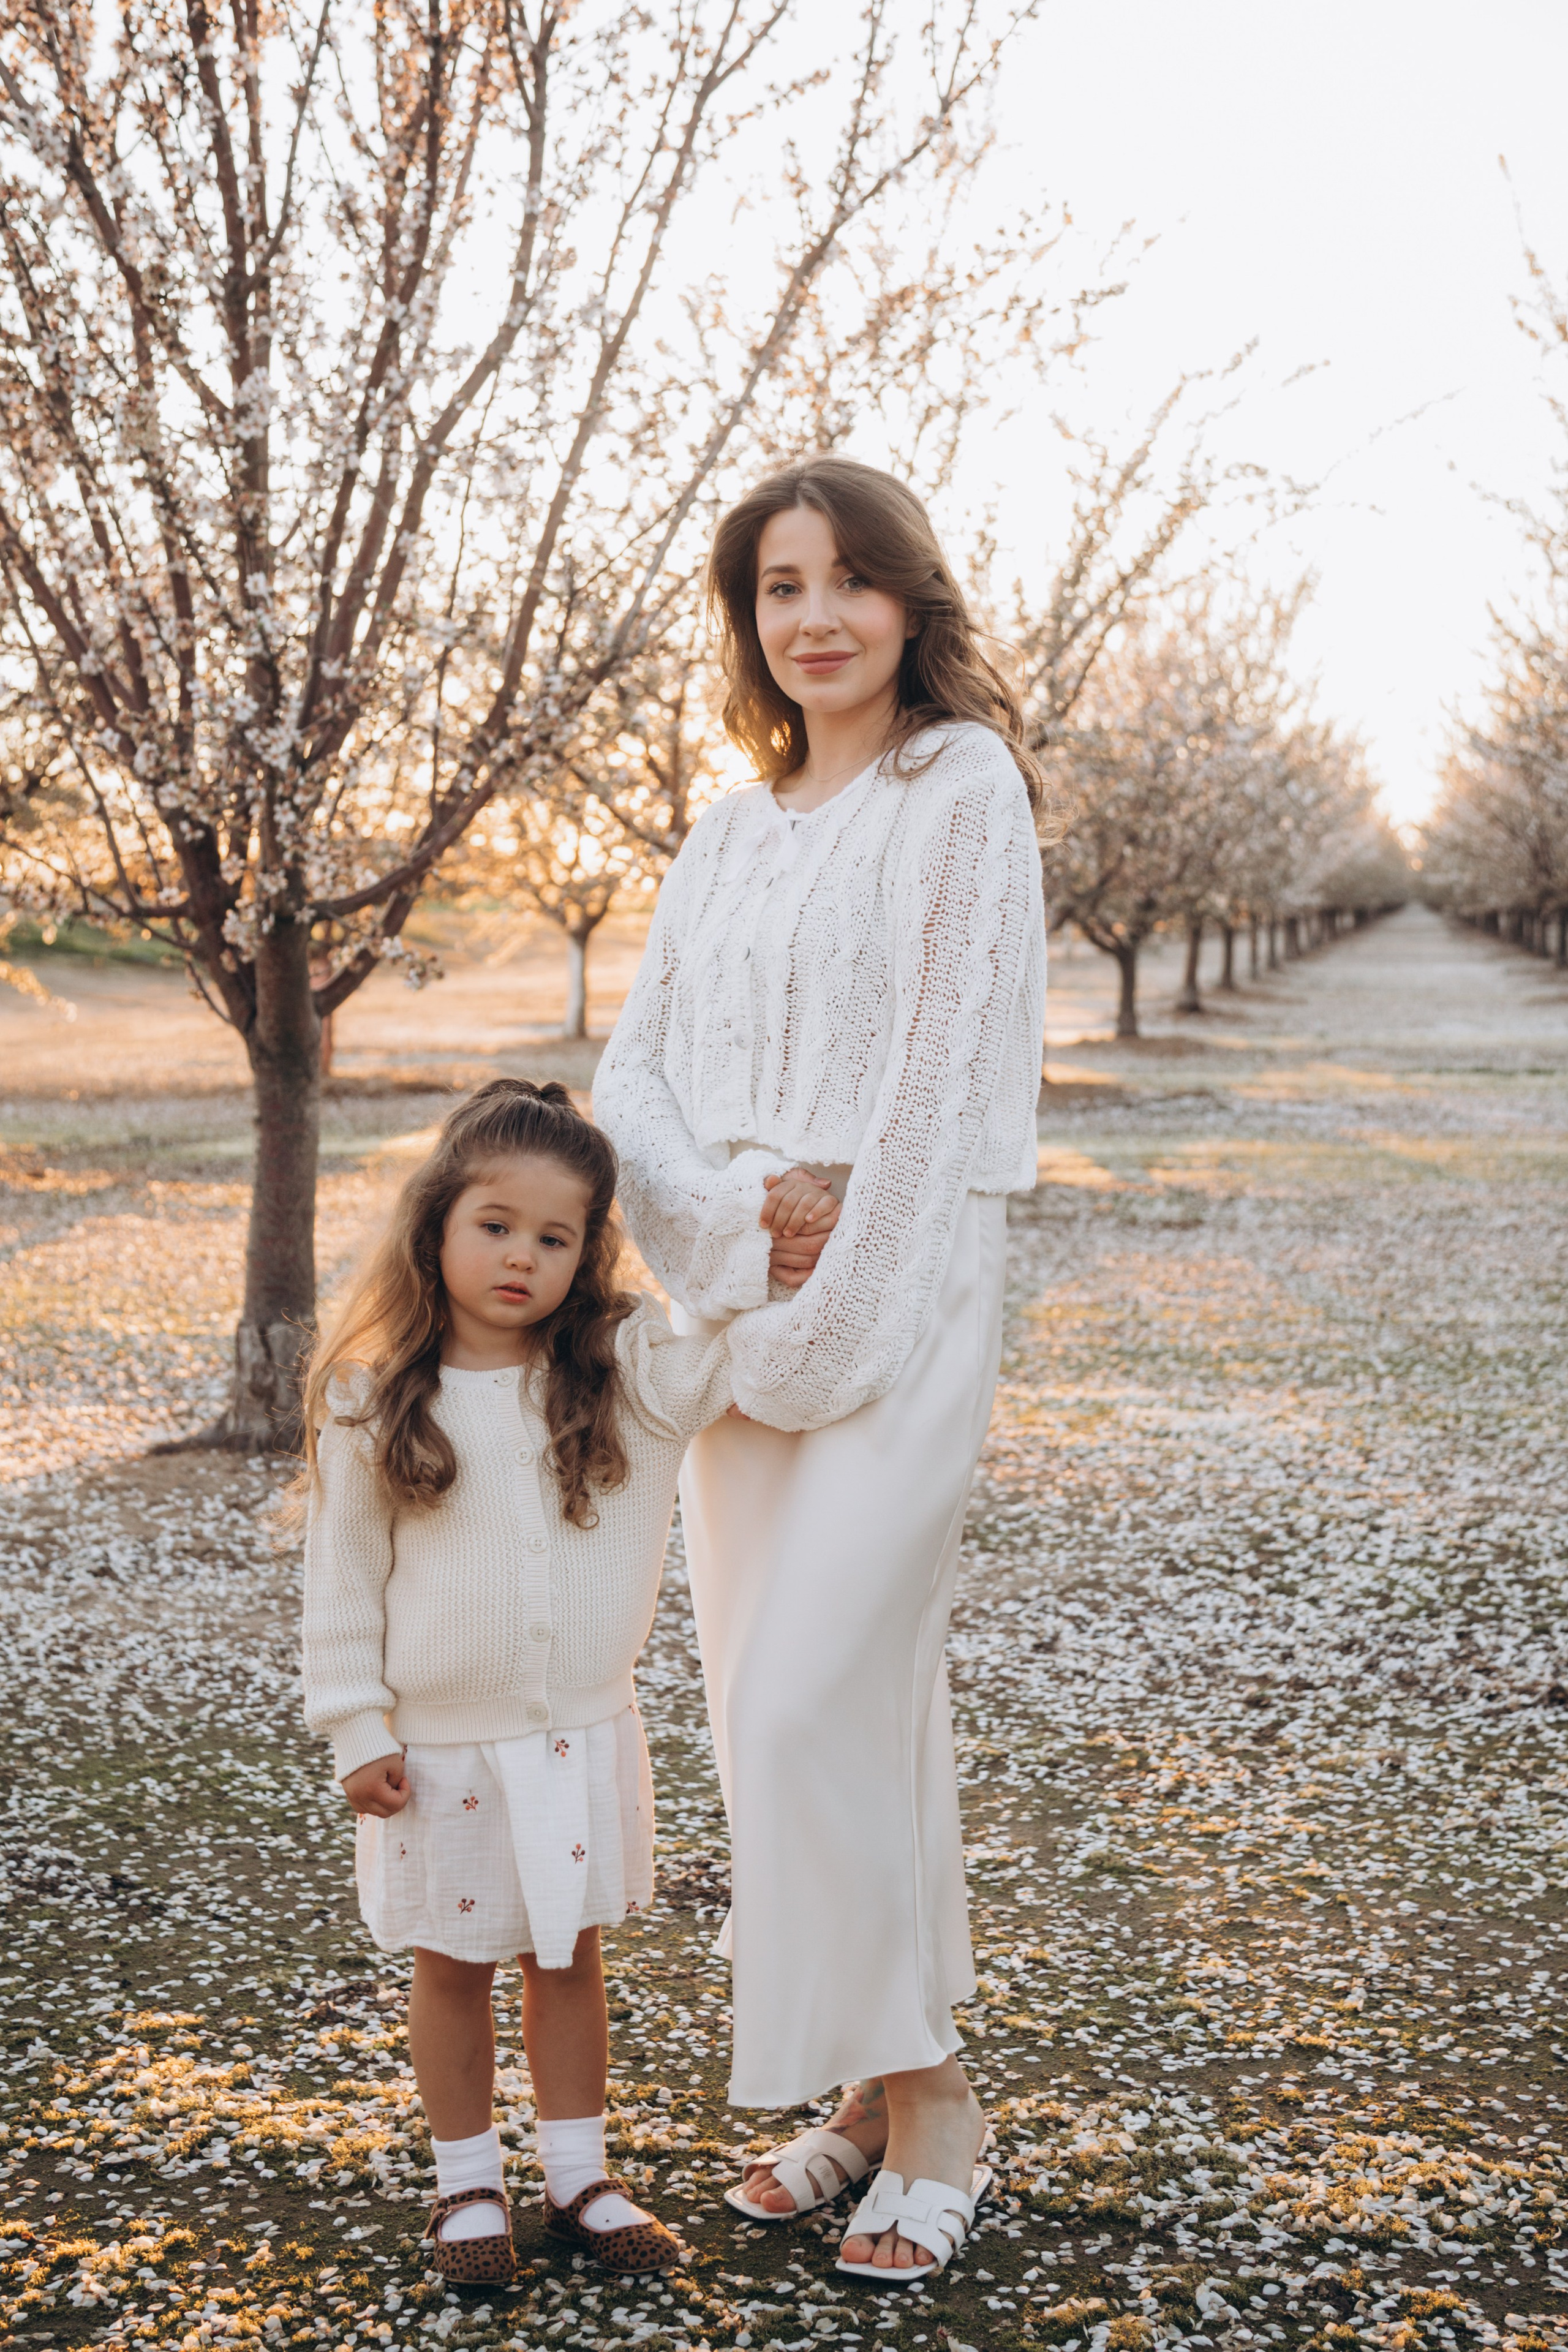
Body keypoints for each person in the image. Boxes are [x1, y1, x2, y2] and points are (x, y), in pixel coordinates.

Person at [594, 454, 1048, 2283]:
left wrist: (836, 1301)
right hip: (734, 1312)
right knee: (796, 1719)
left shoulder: (964, 789)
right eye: (782, 586)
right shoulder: (727, 830)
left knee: (806, 1701)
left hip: (906, 1289)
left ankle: (937, 2102)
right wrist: (720, 1233)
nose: (817, 617)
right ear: (750, 618)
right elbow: (633, 1082)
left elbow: (939, 1092)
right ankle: (867, 2098)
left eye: (851, 579)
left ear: (910, 599)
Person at [298, 1079, 740, 2285]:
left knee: (567, 1960)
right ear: (435, 1221)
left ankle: (578, 2175)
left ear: (589, 1256)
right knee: (454, 1965)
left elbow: (718, 1364)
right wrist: (355, 1726)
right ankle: (464, 2190)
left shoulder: (621, 1377)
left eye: (556, 1238)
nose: (520, 1258)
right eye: (494, 1224)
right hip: (440, 1750)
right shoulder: (375, 1396)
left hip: (577, 1738)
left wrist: (742, 1237)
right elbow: (341, 1586)